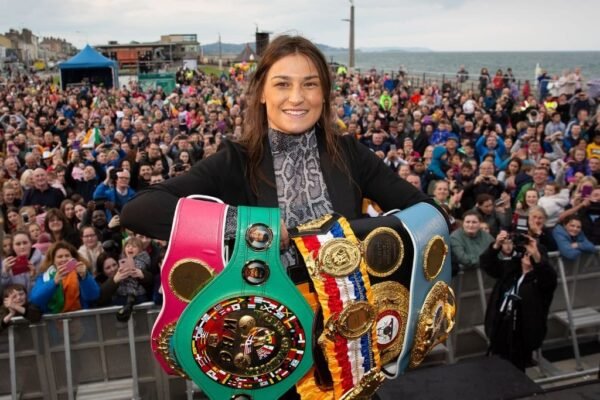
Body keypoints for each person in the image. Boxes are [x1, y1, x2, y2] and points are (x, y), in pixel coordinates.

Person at [122, 35, 435, 244]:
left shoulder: (349, 152)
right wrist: (249, 227)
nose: (297, 98)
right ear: (261, 93)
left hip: (347, 334)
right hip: (265, 335)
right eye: (283, 84)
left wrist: (364, 237)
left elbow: (429, 212)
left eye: (310, 85)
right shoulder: (236, 161)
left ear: (324, 95)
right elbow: (141, 210)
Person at [481, 230, 557, 370]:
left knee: (516, 371)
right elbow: (487, 263)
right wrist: (496, 245)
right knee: (498, 368)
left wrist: (536, 254)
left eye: (531, 256)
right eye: (526, 254)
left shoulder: (539, 280)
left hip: (523, 332)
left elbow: (549, 277)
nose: (528, 257)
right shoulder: (510, 271)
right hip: (501, 326)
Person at [30, 241, 100, 314]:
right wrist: (54, 282)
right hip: (55, 321)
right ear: (53, 260)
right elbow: (35, 300)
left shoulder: (81, 272)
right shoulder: (45, 276)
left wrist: (85, 278)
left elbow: (93, 296)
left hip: (80, 318)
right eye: (60, 257)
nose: (64, 259)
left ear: (73, 258)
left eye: (67, 256)